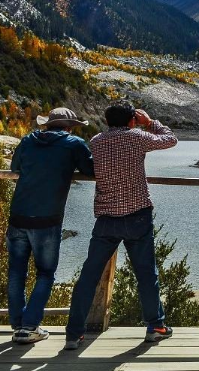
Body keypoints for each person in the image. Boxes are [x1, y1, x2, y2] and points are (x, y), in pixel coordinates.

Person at [64, 101, 178, 350]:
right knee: (146, 274)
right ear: (131, 120)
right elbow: (170, 139)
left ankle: (73, 333)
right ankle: (155, 326)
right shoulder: (138, 137)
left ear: (107, 121)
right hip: (137, 216)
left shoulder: (96, 141)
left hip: (106, 218)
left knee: (89, 275)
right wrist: (150, 123)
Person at [5, 107, 94, 344]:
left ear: (47, 125)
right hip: (47, 220)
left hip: (18, 216)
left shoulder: (27, 140)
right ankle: (29, 326)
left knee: (16, 272)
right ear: (69, 127)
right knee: (45, 273)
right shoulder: (74, 144)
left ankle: (18, 325)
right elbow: (91, 170)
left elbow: (15, 168)